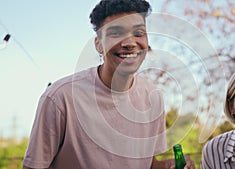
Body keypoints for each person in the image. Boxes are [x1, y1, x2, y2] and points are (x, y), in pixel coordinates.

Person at [22, 0, 195, 169]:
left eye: (138, 33)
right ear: (98, 44)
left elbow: (148, 164)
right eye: (116, 33)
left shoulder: (153, 97)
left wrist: (167, 165)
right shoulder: (60, 98)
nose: (129, 43)